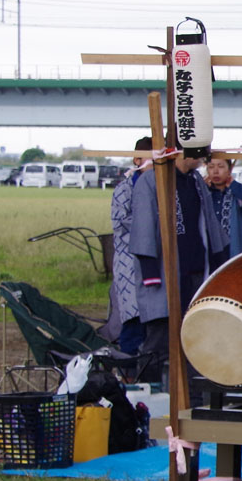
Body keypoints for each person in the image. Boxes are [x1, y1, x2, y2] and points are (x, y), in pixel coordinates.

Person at [130, 149, 229, 387]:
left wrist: (219, 263)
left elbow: (210, 227)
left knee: (196, 340)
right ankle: (147, 395)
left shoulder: (196, 181)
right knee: (159, 342)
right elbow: (143, 225)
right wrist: (150, 272)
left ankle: (193, 396)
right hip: (164, 276)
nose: (204, 158)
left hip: (196, 272)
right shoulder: (151, 179)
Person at [109, 137, 151, 357]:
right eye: (151, 159)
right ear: (137, 159)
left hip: (155, 265)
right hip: (130, 264)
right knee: (133, 323)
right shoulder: (124, 189)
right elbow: (119, 223)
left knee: (153, 324)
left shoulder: (164, 186)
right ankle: (129, 377)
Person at [205, 157, 242, 257]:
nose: (215, 171)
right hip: (210, 250)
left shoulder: (240, 189)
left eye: (221, 166)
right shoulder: (204, 192)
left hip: (233, 248)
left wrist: (234, 185)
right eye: (211, 167)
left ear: (230, 169)